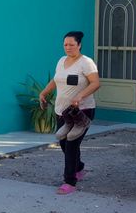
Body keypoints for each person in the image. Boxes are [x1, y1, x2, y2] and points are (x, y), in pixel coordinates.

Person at [38, 31, 101, 195]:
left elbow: (95, 83)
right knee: (64, 144)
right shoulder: (61, 61)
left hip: (82, 110)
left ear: (79, 45)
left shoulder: (86, 63)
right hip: (62, 111)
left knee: (72, 144)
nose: (68, 47)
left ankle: (69, 181)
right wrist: (44, 92)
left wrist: (80, 95)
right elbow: (56, 79)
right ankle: (78, 167)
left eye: (72, 44)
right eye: (65, 44)